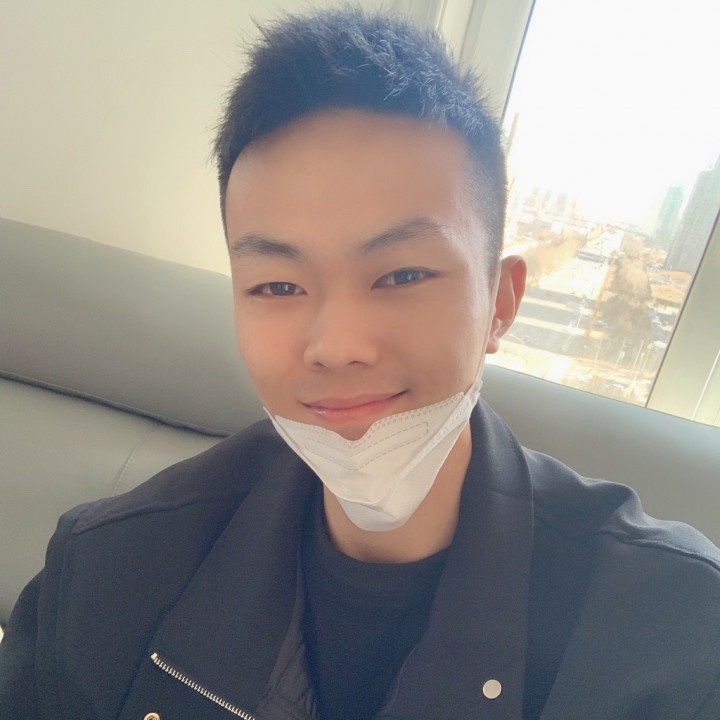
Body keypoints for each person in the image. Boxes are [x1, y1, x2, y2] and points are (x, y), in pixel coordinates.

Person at [1, 7, 719, 719]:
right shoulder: (108, 574)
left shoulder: (675, 633)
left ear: (500, 302)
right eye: (277, 286)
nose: (337, 344)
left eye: (402, 275)